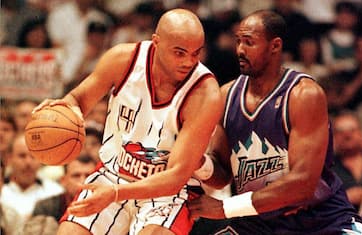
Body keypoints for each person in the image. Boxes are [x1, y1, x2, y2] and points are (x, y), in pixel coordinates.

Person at [33, 8, 222, 235]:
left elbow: (176, 177)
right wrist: (61, 110)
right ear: (156, 42)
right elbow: (78, 99)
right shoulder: (122, 59)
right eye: (180, 53)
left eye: (196, 53)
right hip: (112, 174)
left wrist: (115, 193)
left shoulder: (205, 93)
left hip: (168, 192)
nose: (189, 62)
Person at [188, 10, 362, 234]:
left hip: (320, 221)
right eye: (238, 42)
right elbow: (222, 174)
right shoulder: (226, 96)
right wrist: (200, 164)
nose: (240, 50)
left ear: (275, 46)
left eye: (249, 42)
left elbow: (302, 184)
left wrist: (225, 208)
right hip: (257, 224)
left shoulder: (303, 95)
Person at [0, 133, 63, 226]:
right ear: (9, 158)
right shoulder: (2, 190)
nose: (28, 162)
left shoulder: (55, 191)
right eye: (22, 156)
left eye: (33, 156)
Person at [331, 111, 362, 211]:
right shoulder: (327, 169)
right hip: (344, 222)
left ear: (361, 133)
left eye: (352, 130)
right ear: (333, 137)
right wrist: (346, 197)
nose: (347, 135)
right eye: (340, 131)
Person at [32, 155, 97, 222]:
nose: (83, 181)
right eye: (76, 176)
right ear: (63, 181)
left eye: (88, 176)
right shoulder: (46, 208)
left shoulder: (104, 207)